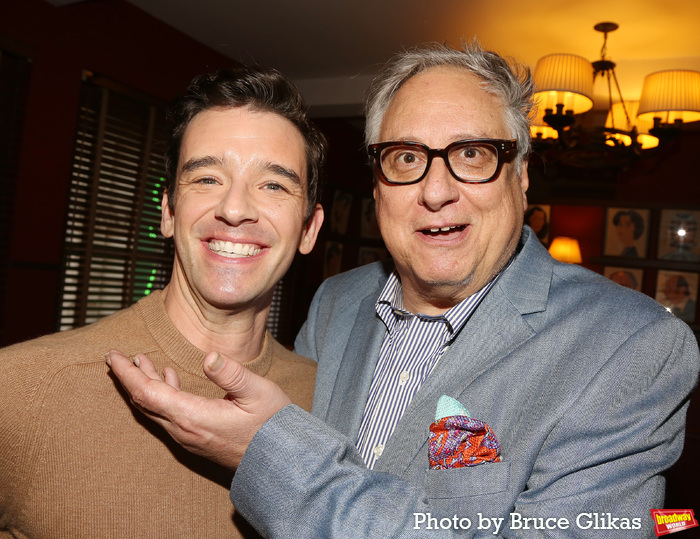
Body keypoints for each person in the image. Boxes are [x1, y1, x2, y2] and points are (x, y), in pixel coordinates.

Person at [108, 43, 700, 538]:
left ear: (520, 175)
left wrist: (267, 453)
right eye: (406, 157)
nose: (436, 191)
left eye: (472, 154)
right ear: (378, 185)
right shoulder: (336, 303)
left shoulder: (633, 349)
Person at [0, 65, 325, 537]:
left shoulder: (333, 403)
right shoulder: (23, 388)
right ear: (169, 211)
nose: (235, 209)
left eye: (274, 185)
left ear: (309, 229)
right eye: (207, 178)